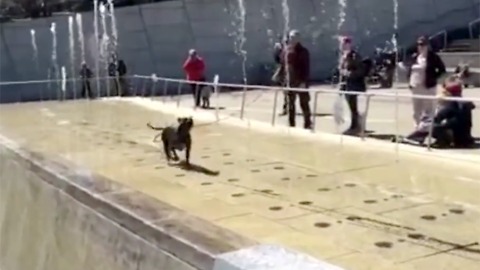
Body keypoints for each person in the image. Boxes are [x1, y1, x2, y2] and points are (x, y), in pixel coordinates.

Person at [401, 36, 446, 128]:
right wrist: (409, 82)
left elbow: (442, 70)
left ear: (427, 45)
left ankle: (427, 129)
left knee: (428, 109)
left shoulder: (433, 57)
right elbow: (410, 70)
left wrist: (433, 78)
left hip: (428, 87)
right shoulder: (415, 57)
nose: (420, 47)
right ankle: (417, 127)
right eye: (418, 45)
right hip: (416, 87)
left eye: (422, 44)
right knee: (416, 109)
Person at [281, 30, 312, 129]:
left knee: (304, 103)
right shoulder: (287, 50)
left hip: (300, 81)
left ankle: (307, 123)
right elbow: (282, 63)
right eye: (291, 37)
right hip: (290, 81)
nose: (292, 40)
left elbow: (306, 68)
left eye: (295, 38)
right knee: (291, 104)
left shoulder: (303, 51)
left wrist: (303, 81)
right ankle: (291, 124)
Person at [339, 36, 367, 135]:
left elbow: (360, 70)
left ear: (348, 44)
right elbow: (341, 71)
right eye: (341, 43)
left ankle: (355, 127)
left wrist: (349, 73)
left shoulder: (354, 56)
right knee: (351, 107)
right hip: (346, 85)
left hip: (353, 85)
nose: (341, 46)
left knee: (353, 107)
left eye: (343, 43)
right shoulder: (343, 56)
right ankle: (357, 125)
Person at [272, 35, 289, 116]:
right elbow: (278, 60)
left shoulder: (288, 51)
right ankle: (286, 108)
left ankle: (286, 109)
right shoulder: (282, 51)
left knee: (288, 92)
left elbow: (282, 64)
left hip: (288, 74)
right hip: (285, 73)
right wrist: (277, 51)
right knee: (286, 92)